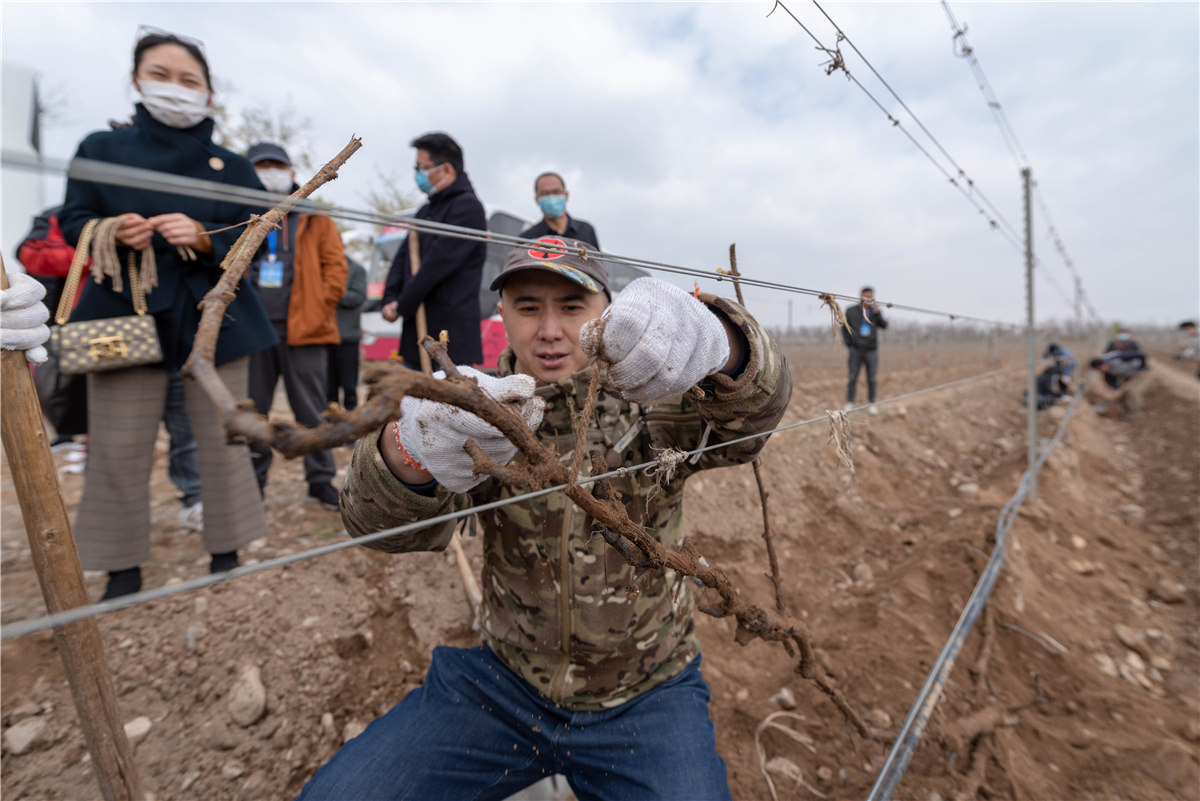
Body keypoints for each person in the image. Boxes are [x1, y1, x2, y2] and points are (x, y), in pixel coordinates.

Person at [299, 238, 792, 800]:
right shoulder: (480, 414)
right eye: (529, 307)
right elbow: (379, 525)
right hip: (504, 686)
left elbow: (752, 417)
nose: (550, 330)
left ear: (606, 313)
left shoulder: (652, 406)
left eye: (572, 307)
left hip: (647, 692)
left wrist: (721, 344)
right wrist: (406, 453)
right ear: (502, 314)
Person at [57, 29, 275, 599]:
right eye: (160, 75)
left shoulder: (232, 167)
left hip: (216, 320)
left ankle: (227, 552)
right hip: (119, 312)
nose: (173, 89)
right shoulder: (100, 150)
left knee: (224, 436)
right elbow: (73, 220)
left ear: (208, 93)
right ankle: (119, 568)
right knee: (116, 441)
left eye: (188, 80)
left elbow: (261, 239)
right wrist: (111, 230)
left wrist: (206, 240)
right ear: (135, 80)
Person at [16, 205, 207, 523]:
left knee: (184, 422)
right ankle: (111, 517)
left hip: (160, 329)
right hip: (92, 333)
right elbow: (32, 255)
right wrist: (103, 245)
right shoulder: (60, 216)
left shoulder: (150, 210)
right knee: (105, 428)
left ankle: (195, 497)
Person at [244, 142, 347, 508]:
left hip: (304, 329)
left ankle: (320, 481)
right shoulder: (241, 210)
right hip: (253, 331)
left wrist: (318, 307)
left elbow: (337, 270)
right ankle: (251, 483)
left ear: (291, 172)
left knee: (312, 409)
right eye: (262, 166)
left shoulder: (315, 218)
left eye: (277, 165)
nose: (270, 171)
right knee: (252, 410)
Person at [381, 132, 485, 367]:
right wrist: (389, 297)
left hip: (450, 336)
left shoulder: (468, 209)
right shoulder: (425, 211)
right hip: (417, 334)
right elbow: (402, 258)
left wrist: (402, 305)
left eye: (422, 167)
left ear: (446, 169)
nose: (418, 174)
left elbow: (436, 266)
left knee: (449, 401)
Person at [518, 171, 601, 249]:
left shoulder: (586, 230)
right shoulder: (527, 239)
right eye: (544, 193)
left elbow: (596, 263)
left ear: (566, 195)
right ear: (537, 200)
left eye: (556, 192)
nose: (551, 198)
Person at [328, 256, 367, 418]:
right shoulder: (324, 268)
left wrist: (333, 291)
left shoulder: (356, 269)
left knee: (349, 385)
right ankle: (332, 425)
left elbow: (358, 297)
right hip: (326, 338)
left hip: (348, 338)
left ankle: (352, 425)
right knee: (328, 387)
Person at [841, 286, 888, 414]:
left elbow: (884, 325)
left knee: (872, 378)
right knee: (852, 377)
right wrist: (848, 344)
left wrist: (877, 313)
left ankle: (871, 403)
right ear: (860, 296)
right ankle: (850, 402)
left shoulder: (875, 311)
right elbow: (844, 327)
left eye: (870, 296)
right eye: (865, 296)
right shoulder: (851, 310)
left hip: (871, 349)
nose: (868, 299)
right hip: (855, 349)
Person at [1089, 345, 1151, 417]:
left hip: (1142, 373)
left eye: (1100, 369)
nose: (1101, 371)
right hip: (1128, 375)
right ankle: (1129, 411)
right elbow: (1110, 379)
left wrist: (1142, 369)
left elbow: (1141, 355)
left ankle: (1136, 412)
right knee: (1123, 392)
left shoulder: (1118, 357)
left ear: (1102, 365)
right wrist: (1116, 389)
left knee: (1132, 391)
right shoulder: (1105, 370)